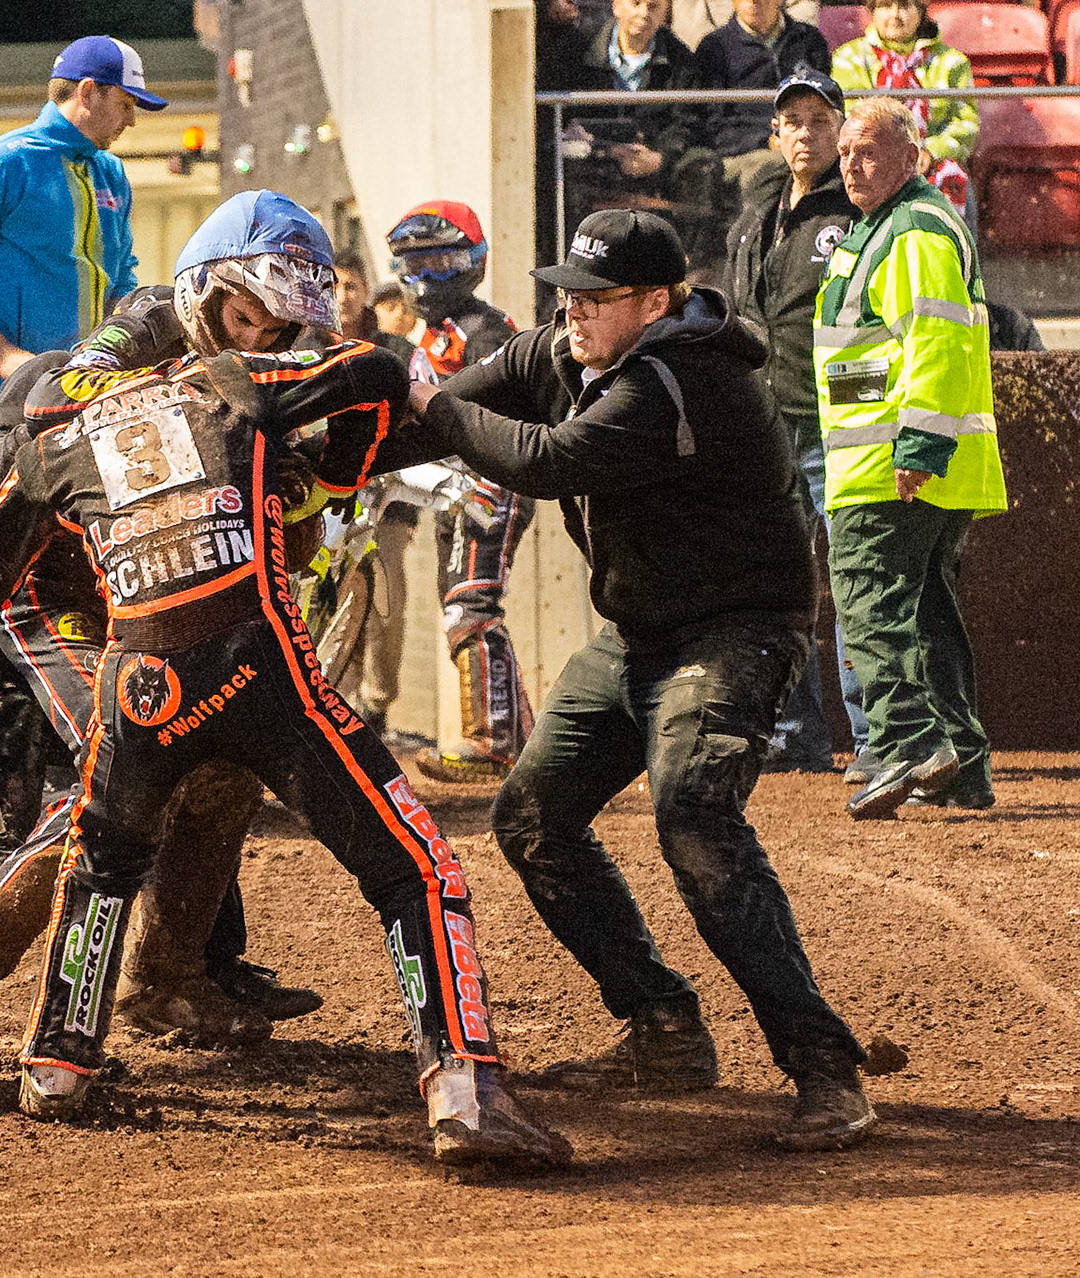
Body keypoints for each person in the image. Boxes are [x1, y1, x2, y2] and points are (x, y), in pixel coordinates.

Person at [0, 189, 571, 1170]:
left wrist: (98, 525)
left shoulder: (72, 434)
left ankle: (56, 1066)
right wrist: (321, 467)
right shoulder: (232, 377)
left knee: (105, 859)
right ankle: (463, 1090)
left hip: (135, 677)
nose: (270, 333)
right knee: (414, 866)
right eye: (255, 314)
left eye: (282, 322)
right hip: (255, 664)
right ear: (206, 293)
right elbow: (370, 366)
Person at [390, 208, 876, 1152]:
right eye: (564, 292)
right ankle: (661, 1026)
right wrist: (318, 444)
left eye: (595, 297)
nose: (571, 311)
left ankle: (825, 1067)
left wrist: (421, 402)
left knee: (692, 810)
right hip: (640, 632)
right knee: (532, 817)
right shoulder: (565, 355)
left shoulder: (684, 380)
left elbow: (542, 458)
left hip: (739, 630)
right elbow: (445, 412)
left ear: (657, 303)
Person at [0, 292, 317, 1080]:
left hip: (70, 644)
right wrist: (59, 424)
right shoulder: (58, 379)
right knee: (19, 834)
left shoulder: (205, 413)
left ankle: (180, 980)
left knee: (204, 759)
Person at [816, 98, 1008, 818]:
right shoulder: (885, 228)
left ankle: (907, 745)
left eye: (869, 150)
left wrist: (920, 445)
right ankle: (964, 768)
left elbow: (938, 343)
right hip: (904, 462)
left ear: (913, 158)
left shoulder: (913, 228)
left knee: (869, 604)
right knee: (927, 618)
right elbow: (881, 354)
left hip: (895, 467)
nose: (852, 165)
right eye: (845, 154)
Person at [0, 35, 162, 430]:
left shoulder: (111, 172)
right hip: (9, 401)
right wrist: (3, 356)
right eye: (126, 104)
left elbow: (122, 280)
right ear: (88, 93)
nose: (131, 120)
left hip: (94, 395)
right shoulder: (2, 161)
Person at [362, 202, 530, 782]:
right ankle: (521, 743)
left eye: (440, 261)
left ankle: (495, 739)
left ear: (472, 261)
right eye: (415, 263)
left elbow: (490, 414)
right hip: (453, 483)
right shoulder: (430, 335)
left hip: (489, 478)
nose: (426, 277)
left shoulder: (485, 330)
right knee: (461, 600)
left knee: (470, 602)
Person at [724, 72, 860, 775]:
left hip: (836, 428)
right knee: (776, 587)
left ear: (840, 132)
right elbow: (736, 318)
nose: (805, 133)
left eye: (818, 119)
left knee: (854, 577)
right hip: (764, 427)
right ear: (775, 136)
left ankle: (874, 743)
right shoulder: (754, 214)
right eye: (793, 121)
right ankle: (795, 732)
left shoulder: (860, 212)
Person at [562, 0, 725, 268]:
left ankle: (690, 272)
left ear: (665, 12)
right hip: (597, 158)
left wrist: (660, 158)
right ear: (616, 6)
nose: (643, 14)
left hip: (657, 162)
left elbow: (687, 122)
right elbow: (569, 120)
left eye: (653, 6)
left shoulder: (681, 60)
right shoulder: (580, 53)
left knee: (702, 164)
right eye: (636, 3)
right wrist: (607, 150)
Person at [831, 0, 978, 221]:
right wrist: (894, 155)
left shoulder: (952, 62)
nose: (896, 14)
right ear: (872, 11)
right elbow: (852, 120)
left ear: (920, 12)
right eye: (886, 5)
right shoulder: (848, 58)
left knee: (954, 177)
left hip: (931, 164)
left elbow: (966, 124)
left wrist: (928, 152)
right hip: (870, 159)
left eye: (905, 6)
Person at [694, 0, 832, 192]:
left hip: (807, 141)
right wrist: (766, 141)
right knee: (776, 168)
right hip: (746, 154)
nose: (753, 2)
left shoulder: (810, 41)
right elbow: (712, 125)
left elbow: (826, 103)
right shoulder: (713, 48)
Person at [668, 0, 816, 50]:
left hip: (782, 40)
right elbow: (690, 23)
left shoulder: (811, 41)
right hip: (719, 49)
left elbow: (802, 7)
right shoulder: (712, 48)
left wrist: (785, 36)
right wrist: (722, 46)